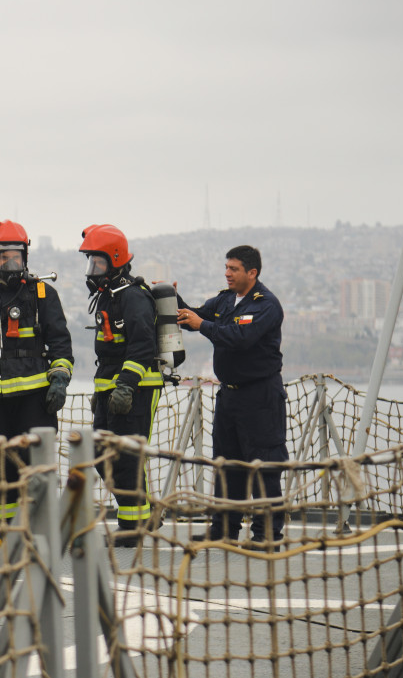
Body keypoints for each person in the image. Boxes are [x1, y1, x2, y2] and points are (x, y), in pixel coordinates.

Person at [176, 245, 288, 546]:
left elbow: (240, 338)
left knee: (264, 467)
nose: (227, 273)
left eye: (234, 269)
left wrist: (203, 325)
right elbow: (195, 316)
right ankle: (224, 529)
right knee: (226, 465)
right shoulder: (225, 301)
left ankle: (267, 535)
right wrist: (172, 300)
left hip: (260, 398)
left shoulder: (265, 305)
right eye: (226, 268)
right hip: (230, 397)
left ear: (252, 273)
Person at [0, 219, 73, 530]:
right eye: (4, 256)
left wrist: (59, 378)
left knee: (37, 462)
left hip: (35, 398)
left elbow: (60, 343)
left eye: (17, 256)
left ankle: (41, 526)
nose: (12, 262)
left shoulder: (42, 293)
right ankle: (9, 529)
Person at [79, 224, 164, 546]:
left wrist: (126, 386)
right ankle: (145, 512)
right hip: (111, 390)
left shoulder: (133, 297)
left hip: (137, 390)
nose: (93, 270)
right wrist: (104, 391)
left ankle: (133, 528)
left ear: (115, 261)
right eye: (91, 263)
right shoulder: (108, 297)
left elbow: (142, 346)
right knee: (103, 455)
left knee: (126, 459)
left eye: (98, 263)